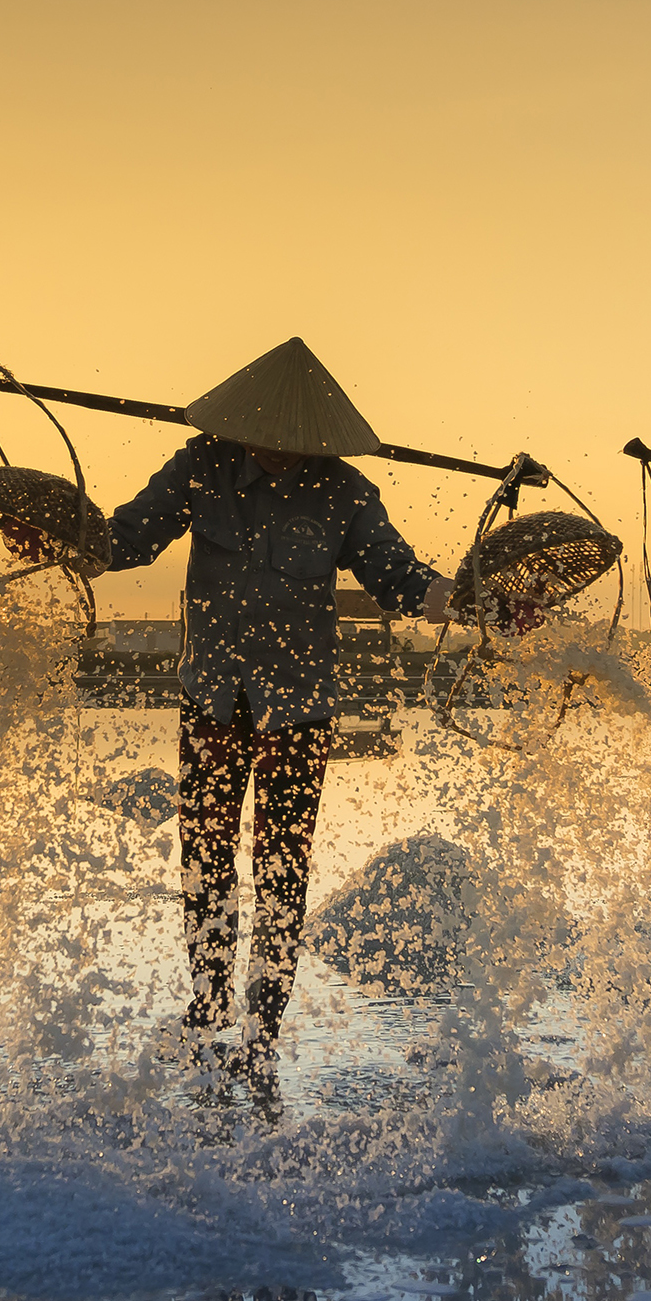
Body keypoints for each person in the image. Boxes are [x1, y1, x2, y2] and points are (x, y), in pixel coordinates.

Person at [96, 344, 452, 1047]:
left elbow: (398, 576)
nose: (283, 453)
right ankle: (208, 1001)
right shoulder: (201, 467)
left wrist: (460, 598)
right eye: (272, 439)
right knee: (204, 857)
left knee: (283, 866)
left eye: (298, 443)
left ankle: (264, 1019)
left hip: (299, 709)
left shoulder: (344, 491)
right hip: (211, 699)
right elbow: (125, 540)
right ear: (245, 422)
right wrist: (61, 537)